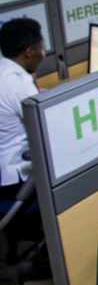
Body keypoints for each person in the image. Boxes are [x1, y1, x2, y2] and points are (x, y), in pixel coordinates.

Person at [0, 18, 45, 201]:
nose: (44, 54)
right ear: (29, 52)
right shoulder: (19, 87)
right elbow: (48, 129)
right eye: (42, 49)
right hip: (16, 182)